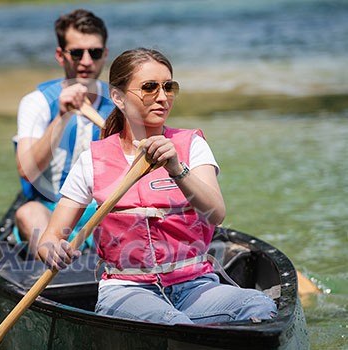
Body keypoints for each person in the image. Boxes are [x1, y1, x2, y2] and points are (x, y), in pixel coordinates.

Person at [38, 48, 277, 325]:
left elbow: (216, 213)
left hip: (196, 285)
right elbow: (50, 238)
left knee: (259, 306)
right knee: (173, 324)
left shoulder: (192, 145)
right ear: (118, 97)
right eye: (150, 88)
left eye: (168, 87)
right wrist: (53, 250)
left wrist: (176, 168)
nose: (163, 97)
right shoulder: (92, 160)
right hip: (126, 290)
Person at [14, 9, 114, 258]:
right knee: (26, 213)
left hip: (106, 213)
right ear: (61, 55)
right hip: (51, 211)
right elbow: (27, 170)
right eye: (77, 53)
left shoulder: (120, 102)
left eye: (95, 52)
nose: (87, 61)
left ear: (105, 55)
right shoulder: (36, 103)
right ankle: (56, 262)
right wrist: (62, 116)